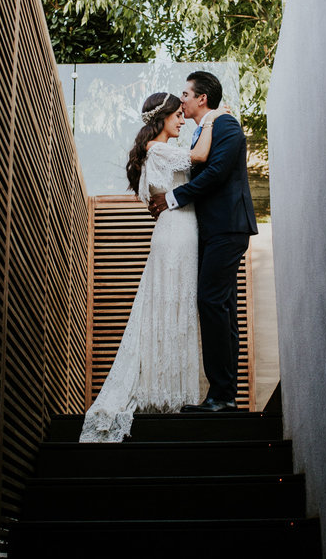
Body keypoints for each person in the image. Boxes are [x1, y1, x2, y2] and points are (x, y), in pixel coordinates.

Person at [79, 92, 219, 442]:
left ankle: (169, 389)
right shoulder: (158, 150)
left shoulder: (159, 151)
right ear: (164, 116)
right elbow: (200, 155)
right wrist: (213, 118)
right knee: (170, 304)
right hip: (175, 234)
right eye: (177, 116)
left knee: (174, 305)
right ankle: (165, 393)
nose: (182, 120)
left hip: (178, 231)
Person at [149, 71, 258, 412]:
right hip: (214, 231)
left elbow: (216, 173)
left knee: (211, 302)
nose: (181, 100)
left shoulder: (225, 125)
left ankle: (221, 394)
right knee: (221, 306)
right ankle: (223, 395)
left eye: (185, 94)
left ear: (202, 99)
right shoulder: (204, 131)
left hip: (227, 227)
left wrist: (171, 198)